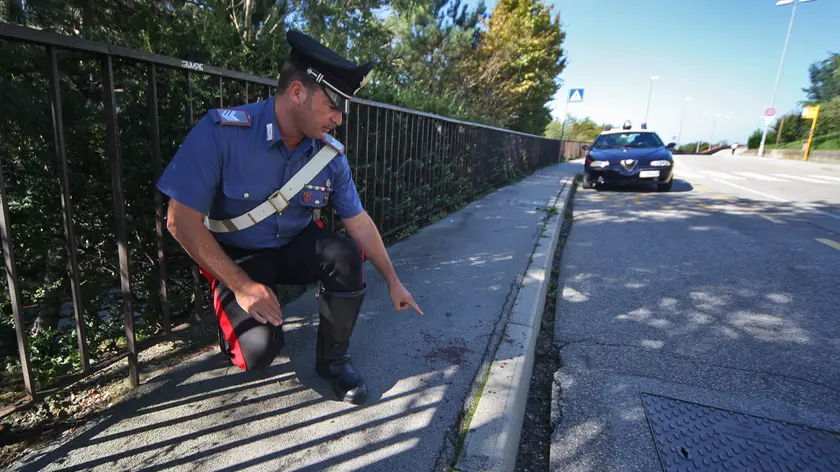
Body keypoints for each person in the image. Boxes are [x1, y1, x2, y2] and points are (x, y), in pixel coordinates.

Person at [156, 30, 422, 405]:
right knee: (257, 352)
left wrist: (393, 280)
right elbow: (179, 222)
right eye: (333, 105)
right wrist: (242, 285)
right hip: (240, 256)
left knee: (345, 253)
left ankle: (334, 362)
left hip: (293, 243)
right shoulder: (222, 133)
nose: (338, 119)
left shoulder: (329, 155)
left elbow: (358, 220)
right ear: (297, 92)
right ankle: (233, 309)